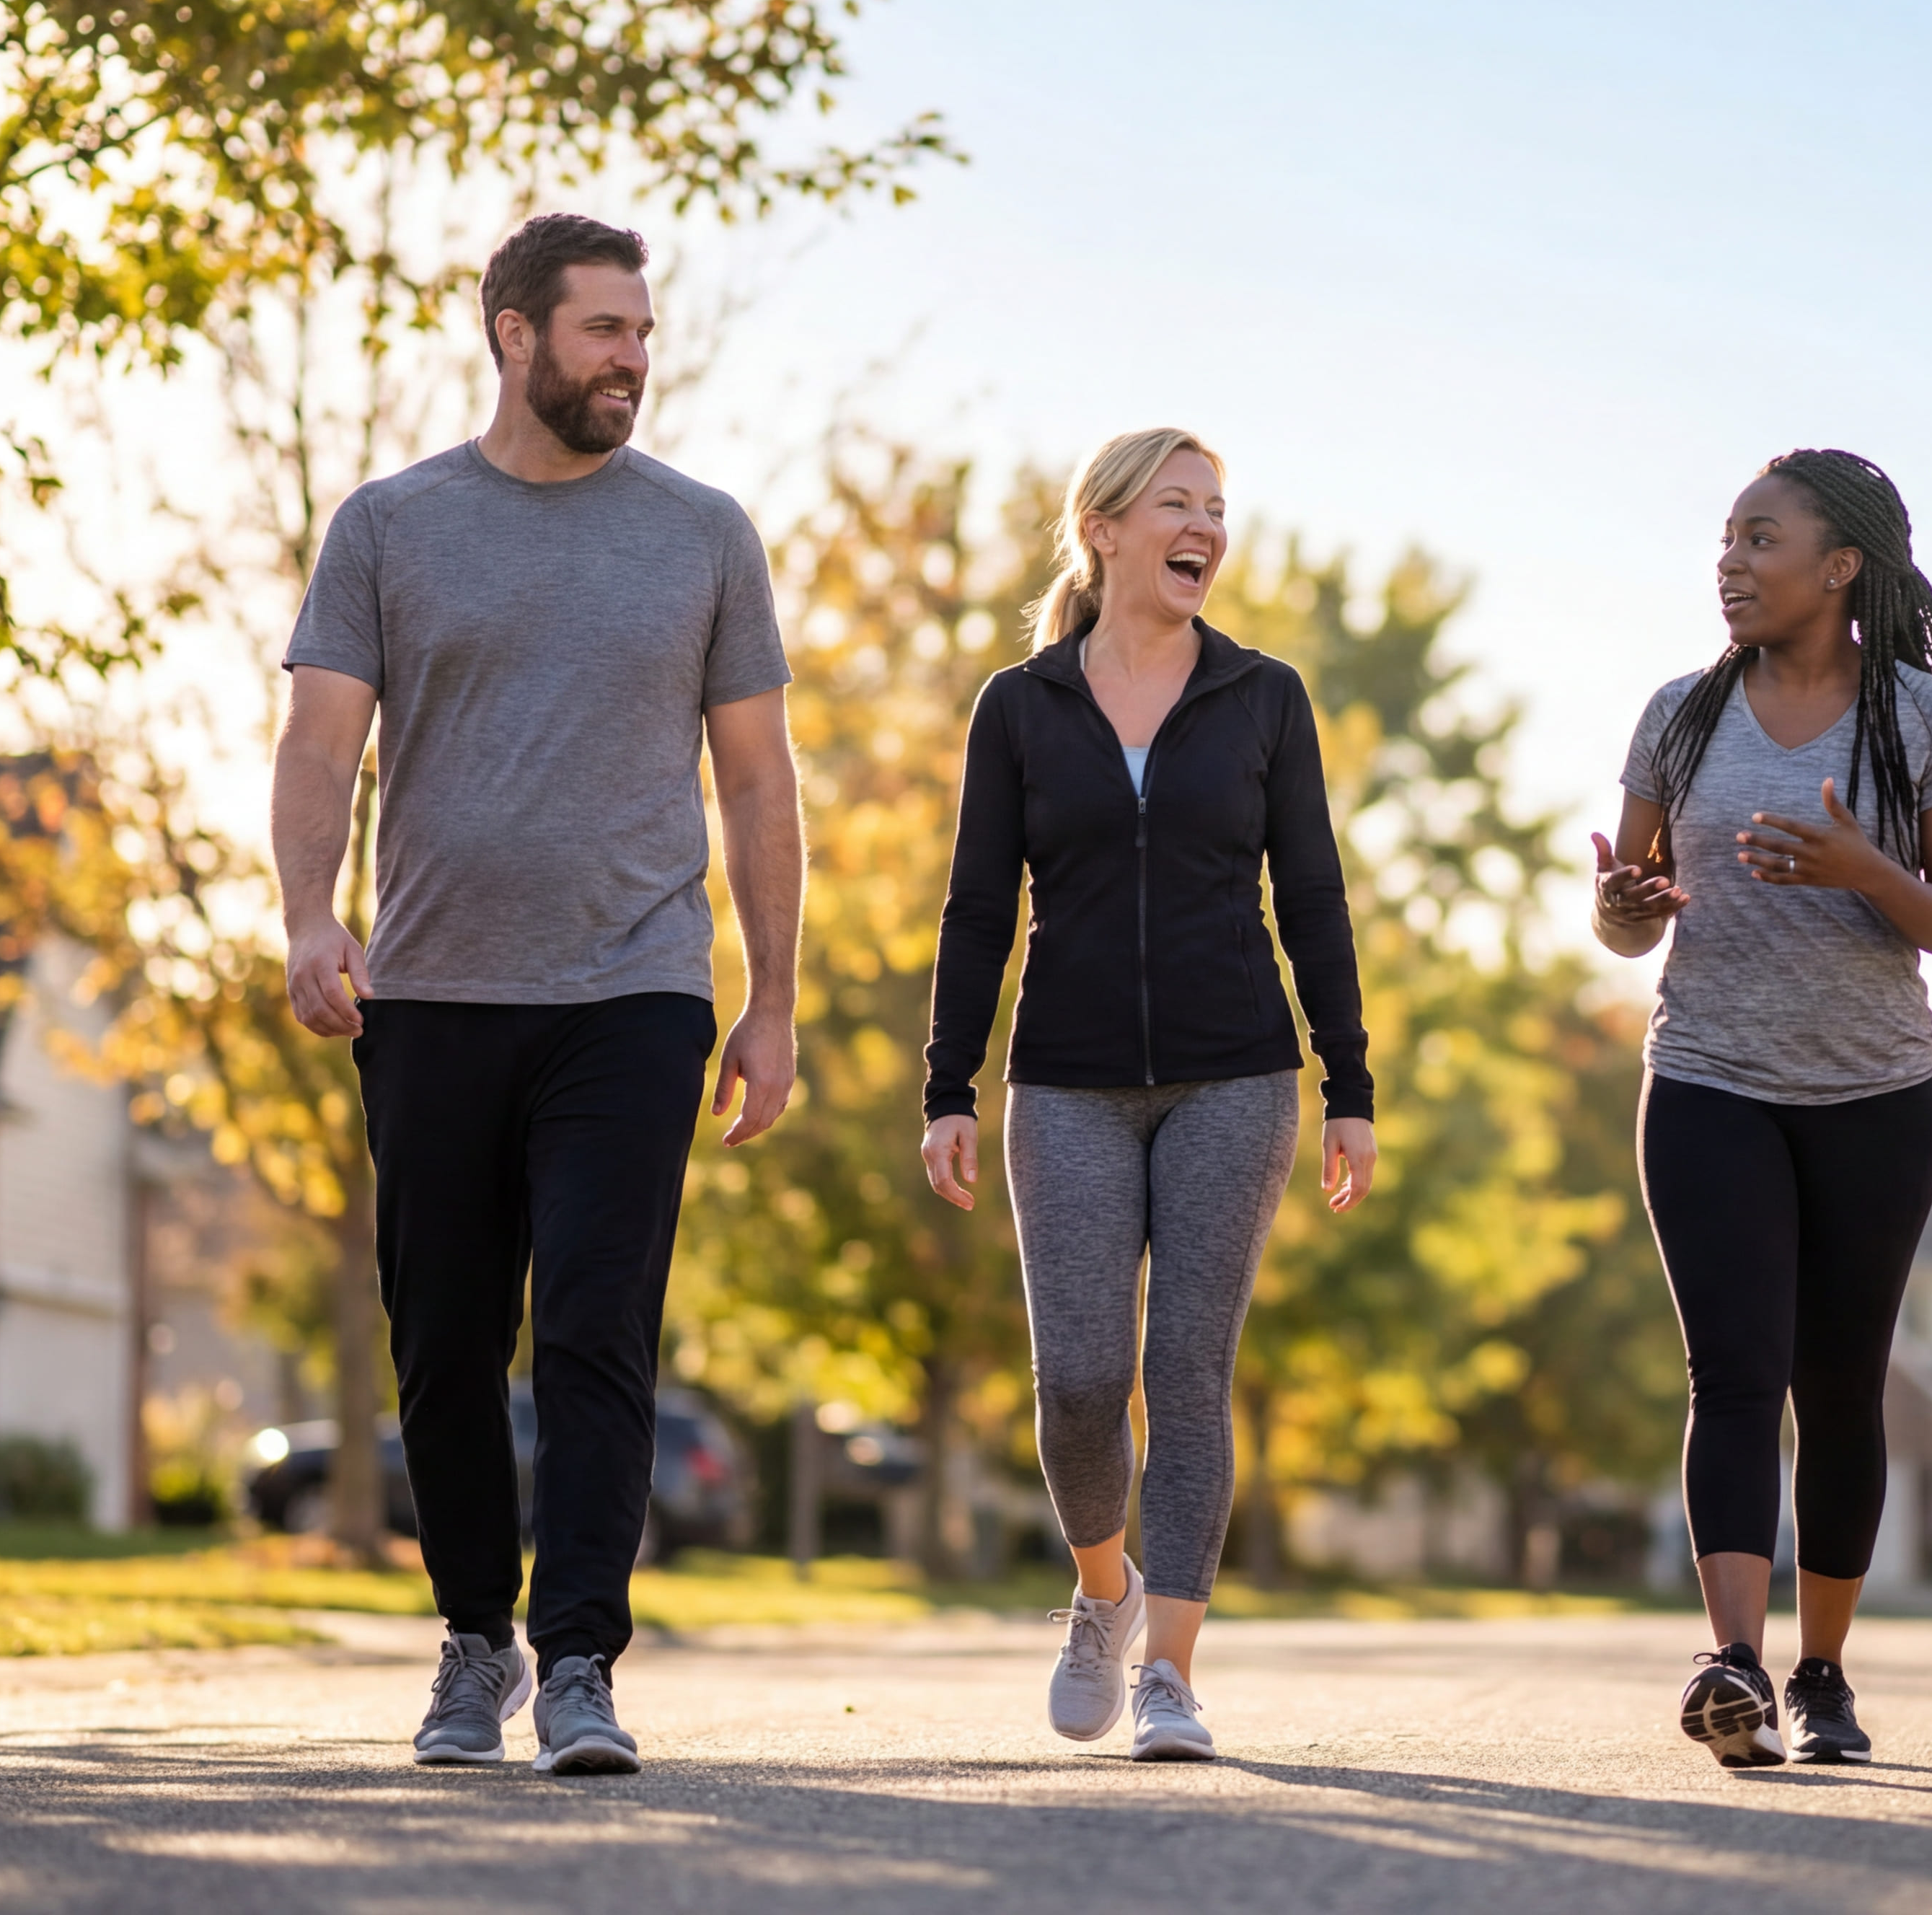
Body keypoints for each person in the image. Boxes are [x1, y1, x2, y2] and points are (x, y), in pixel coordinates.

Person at [275, 213, 803, 1777]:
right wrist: (311, 917)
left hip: (634, 993)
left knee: (593, 1324)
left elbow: (759, 783)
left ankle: (579, 1660)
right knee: (442, 1339)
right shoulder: (388, 526)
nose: (634, 358)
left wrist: (771, 1000)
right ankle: (470, 1642)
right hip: (430, 993)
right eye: (603, 331)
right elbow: (320, 745)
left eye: (643, 332)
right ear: (512, 334)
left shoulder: (705, 534)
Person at [919, 426, 1376, 1764]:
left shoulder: (1264, 696)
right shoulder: (1020, 706)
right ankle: (1103, 1590)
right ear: (1105, 529)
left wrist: (1349, 1079)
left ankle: (1169, 1670)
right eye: (1178, 505)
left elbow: (1315, 895)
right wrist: (948, 1081)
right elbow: (974, 907)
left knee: (1187, 1369)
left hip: (1236, 1070)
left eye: (1219, 510)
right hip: (1062, 1080)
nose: (1206, 530)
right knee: (1076, 1377)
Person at [1589, 447, 1932, 1769]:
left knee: (1841, 1383)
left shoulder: (1922, 720)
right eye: (1725, 540)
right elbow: (1629, 919)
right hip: (1707, 1078)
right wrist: (1618, 908)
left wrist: (1860, 868)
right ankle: (1733, 1663)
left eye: (1761, 540)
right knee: (1734, 1374)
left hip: (1875, 1096)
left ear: (1840, 567)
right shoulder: (1680, 715)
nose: (1731, 563)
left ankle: (1822, 1673)